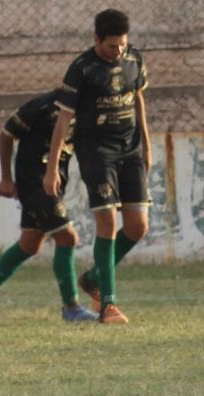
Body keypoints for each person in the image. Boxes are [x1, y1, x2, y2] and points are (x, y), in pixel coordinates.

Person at [44, 9, 151, 324]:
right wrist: (52, 168)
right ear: (96, 40)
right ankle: (108, 305)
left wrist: (147, 144)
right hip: (96, 153)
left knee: (137, 227)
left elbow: (139, 100)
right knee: (107, 221)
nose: (116, 51)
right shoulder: (82, 68)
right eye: (110, 46)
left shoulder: (134, 60)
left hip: (130, 152)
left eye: (121, 45)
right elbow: (63, 120)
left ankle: (92, 278)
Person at [0, 90, 99, 324]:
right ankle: (71, 307)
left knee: (30, 243)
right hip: (33, 183)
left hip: (52, 185)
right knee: (67, 238)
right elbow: (6, 134)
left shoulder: (84, 111)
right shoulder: (42, 107)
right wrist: (6, 178)